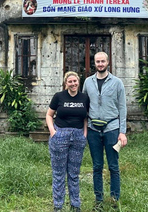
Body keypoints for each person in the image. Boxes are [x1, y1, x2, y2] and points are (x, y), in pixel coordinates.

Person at [84, 51, 127, 209]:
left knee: (113, 166)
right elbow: (85, 104)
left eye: (103, 61)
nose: (100, 64)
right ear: (94, 63)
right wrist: (84, 127)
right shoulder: (88, 82)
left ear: (108, 62)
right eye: (97, 61)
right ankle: (98, 200)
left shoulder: (117, 83)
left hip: (112, 128)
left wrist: (122, 132)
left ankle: (115, 199)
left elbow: (122, 108)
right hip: (93, 129)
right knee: (96, 166)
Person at [47, 71, 89, 212]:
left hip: (78, 137)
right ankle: (58, 206)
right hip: (60, 136)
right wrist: (53, 132)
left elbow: (85, 118)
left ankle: (75, 205)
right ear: (66, 83)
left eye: (75, 81)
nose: (73, 84)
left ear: (78, 82)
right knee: (59, 173)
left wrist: (84, 134)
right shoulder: (59, 96)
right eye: (70, 82)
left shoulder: (84, 98)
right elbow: (49, 114)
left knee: (74, 173)